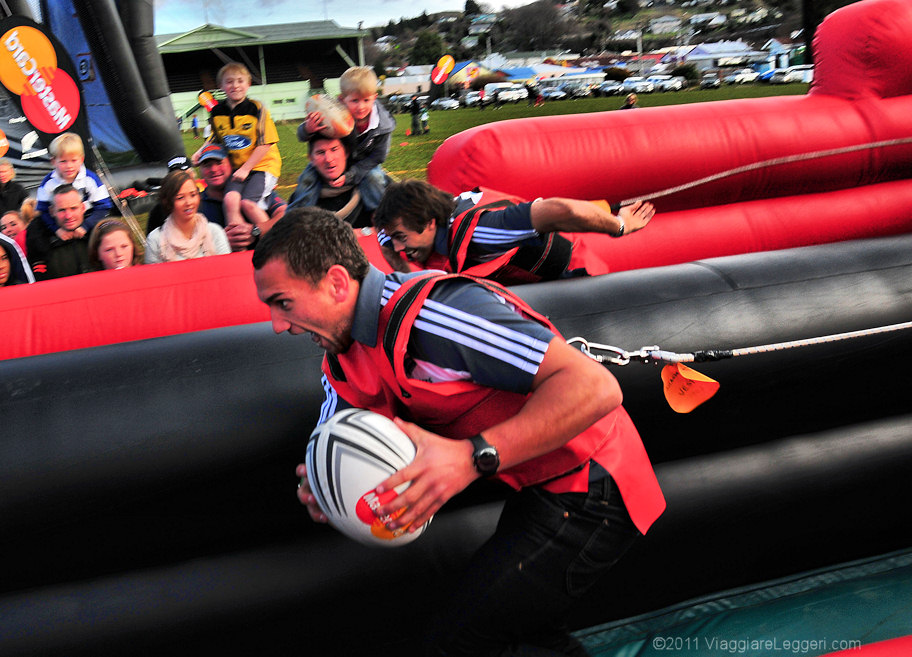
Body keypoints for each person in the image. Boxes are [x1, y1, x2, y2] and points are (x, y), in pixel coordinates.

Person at [252, 208, 665, 656]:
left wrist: (472, 458)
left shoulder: (435, 313)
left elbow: (596, 386)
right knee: (521, 631)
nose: (277, 325)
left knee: (459, 644)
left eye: (283, 303)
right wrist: (319, 484)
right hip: (541, 485)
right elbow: (330, 440)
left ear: (336, 282)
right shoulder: (339, 361)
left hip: (594, 483)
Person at [374, 179, 655, 284]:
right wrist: (409, 276)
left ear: (430, 223)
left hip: (573, 278)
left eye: (402, 238)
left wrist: (621, 225)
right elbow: (384, 238)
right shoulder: (402, 231)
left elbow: (561, 211)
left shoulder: (482, 233)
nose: (398, 247)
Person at [192, 62, 282, 236]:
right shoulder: (218, 112)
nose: (235, 86)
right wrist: (200, 151)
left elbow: (266, 143)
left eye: (240, 81)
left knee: (248, 203)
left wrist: (247, 168)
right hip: (238, 169)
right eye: (229, 81)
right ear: (221, 86)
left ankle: (272, 241)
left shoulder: (257, 108)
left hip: (261, 167)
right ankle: (236, 241)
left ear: (248, 84)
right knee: (230, 199)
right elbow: (216, 138)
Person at [295, 65, 394, 213]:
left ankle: (380, 216)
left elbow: (378, 156)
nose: (361, 107)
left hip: (364, 163)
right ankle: (298, 217)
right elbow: (302, 136)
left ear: (374, 97)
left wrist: (352, 175)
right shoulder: (332, 113)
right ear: (342, 99)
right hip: (336, 159)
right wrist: (308, 129)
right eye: (354, 101)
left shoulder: (383, 125)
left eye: (366, 100)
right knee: (307, 178)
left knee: (374, 178)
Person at [188, 143, 285, 251]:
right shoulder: (196, 204)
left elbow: (285, 215)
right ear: (200, 170)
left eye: (219, 163)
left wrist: (256, 230)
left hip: (264, 262)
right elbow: (187, 244)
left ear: (231, 164)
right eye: (207, 165)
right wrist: (219, 241)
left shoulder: (252, 191)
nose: (214, 169)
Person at [288, 134, 390, 228]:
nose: (328, 159)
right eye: (320, 152)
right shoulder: (301, 197)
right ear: (311, 159)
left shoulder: (380, 185)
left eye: (334, 149)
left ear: (346, 152)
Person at [34, 132, 112, 239]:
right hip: (60, 223)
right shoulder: (48, 183)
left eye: (73, 160)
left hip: (88, 219)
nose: (69, 166)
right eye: (63, 161)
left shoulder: (90, 179)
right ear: (53, 161)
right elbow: (43, 211)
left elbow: (103, 207)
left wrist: (86, 226)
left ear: (81, 159)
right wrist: (56, 229)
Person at [144, 170, 231, 263]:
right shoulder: (155, 240)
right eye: (180, 198)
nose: (188, 203)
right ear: (167, 202)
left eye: (193, 195)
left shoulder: (215, 232)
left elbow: (226, 269)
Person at [26, 184, 96, 280]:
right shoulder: (38, 241)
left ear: (83, 208)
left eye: (73, 208)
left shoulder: (99, 234)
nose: (68, 216)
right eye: (62, 210)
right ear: (51, 211)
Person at [0, 160, 27, 227]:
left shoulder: (19, 189)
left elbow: (27, 210)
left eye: (5, 171)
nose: (2, 175)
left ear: (11, 172)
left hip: (17, 229)